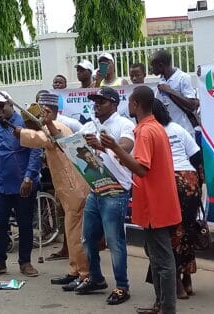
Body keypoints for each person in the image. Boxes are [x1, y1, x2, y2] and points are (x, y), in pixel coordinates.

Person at [99, 86, 180, 313]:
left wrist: (114, 146)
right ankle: (160, 304)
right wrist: (111, 149)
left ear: (135, 104)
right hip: (157, 202)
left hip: (156, 204)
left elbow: (141, 169)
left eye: (129, 102)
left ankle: (167, 308)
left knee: (162, 260)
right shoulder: (154, 127)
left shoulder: (145, 132)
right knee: (156, 257)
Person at [13, 92, 92, 289]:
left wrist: (19, 132)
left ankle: (84, 274)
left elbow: (40, 138)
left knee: (75, 233)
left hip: (74, 188)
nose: (38, 117)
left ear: (48, 111)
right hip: (69, 189)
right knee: (71, 231)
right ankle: (75, 271)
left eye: (40, 112)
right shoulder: (54, 127)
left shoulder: (55, 128)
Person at [74, 87, 134, 305]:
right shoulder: (90, 125)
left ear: (114, 104)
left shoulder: (124, 124)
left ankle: (122, 286)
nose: (96, 105)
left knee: (114, 241)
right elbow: (74, 145)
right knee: (88, 238)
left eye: (102, 101)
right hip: (95, 188)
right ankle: (96, 278)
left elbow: (127, 147)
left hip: (115, 190)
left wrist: (105, 145)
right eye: (95, 102)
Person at [0, 91, 42, 278]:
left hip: (24, 186)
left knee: (25, 224)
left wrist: (29, 178)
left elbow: (35, 151)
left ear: (11, 105)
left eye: (2, 106)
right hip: (1, 187)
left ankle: (25, 262)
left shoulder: (25, 125)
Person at [151, 99, 202, 299]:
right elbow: (196, 157)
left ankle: (177, 284)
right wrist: (199, 184)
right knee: (187, 231)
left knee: (169, 234)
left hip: (169, 181)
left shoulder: (150, 131)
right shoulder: (178, 129)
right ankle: (187, 278)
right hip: (190, 181)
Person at [151, 50, 199, 141]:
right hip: (167, 131)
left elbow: (192, 105)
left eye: (153, 66)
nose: (151, 70)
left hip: (184, 130)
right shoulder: (160, 81)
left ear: (161, 65)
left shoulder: (183, 78)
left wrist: (170, 91)